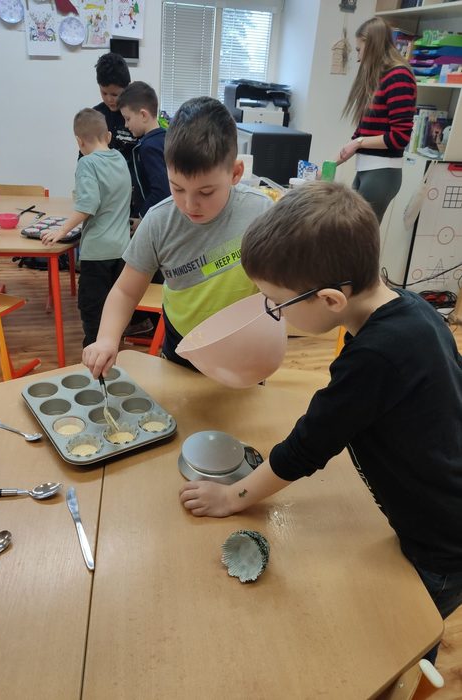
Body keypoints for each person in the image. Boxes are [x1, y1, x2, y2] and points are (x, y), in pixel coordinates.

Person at [179, 181, 462, 664]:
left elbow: (306, 448)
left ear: (330, 300)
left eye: (277, 303)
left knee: (404, 638)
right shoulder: (413, 310)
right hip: (444, 503)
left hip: (440, 538)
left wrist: (232, 496)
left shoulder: (375, 356)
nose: (272, 312)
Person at [82, 96, 273, 375]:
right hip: (184, 344)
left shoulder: (262, 212)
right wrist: (107, 339)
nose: (190, 204)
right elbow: (125, 291)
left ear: (235, 173)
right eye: (177, 188)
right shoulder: (159, 221)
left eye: (206, 192)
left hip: (245, 345)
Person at [42, 108, 131, 347]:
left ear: (79, 141)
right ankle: (114, 349)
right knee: (116, 307)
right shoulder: (119, 158)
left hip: (97, 252)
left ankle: (95, 355)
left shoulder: (87, 163)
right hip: (123, 249)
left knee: (93, 310)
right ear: (108, 136)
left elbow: (87, 205)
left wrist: (61, 231)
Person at [336, 17, 417, 223]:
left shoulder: (398, 76)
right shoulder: (379, 78)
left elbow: (400, 137)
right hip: (367, 170)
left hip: (381, 173)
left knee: (360, 236)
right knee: (353, 234)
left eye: (359, 49)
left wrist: (359, 142)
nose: (358, 57)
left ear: (371, 44)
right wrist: (328, 166)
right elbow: (361, 133)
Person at [117, 80, 170, 230]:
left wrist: (142, 217)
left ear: (143, 115)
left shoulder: (148, 147)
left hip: (153, 222)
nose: (126, 125)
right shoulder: (165, 137)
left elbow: (161, 189)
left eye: (128, 118)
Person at [92, 51, 136, 166]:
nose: (109, 99)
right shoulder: (95, 116)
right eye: (104, 93)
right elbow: (85, 154)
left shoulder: (136, 115)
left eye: (114, 94)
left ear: (127, 87)